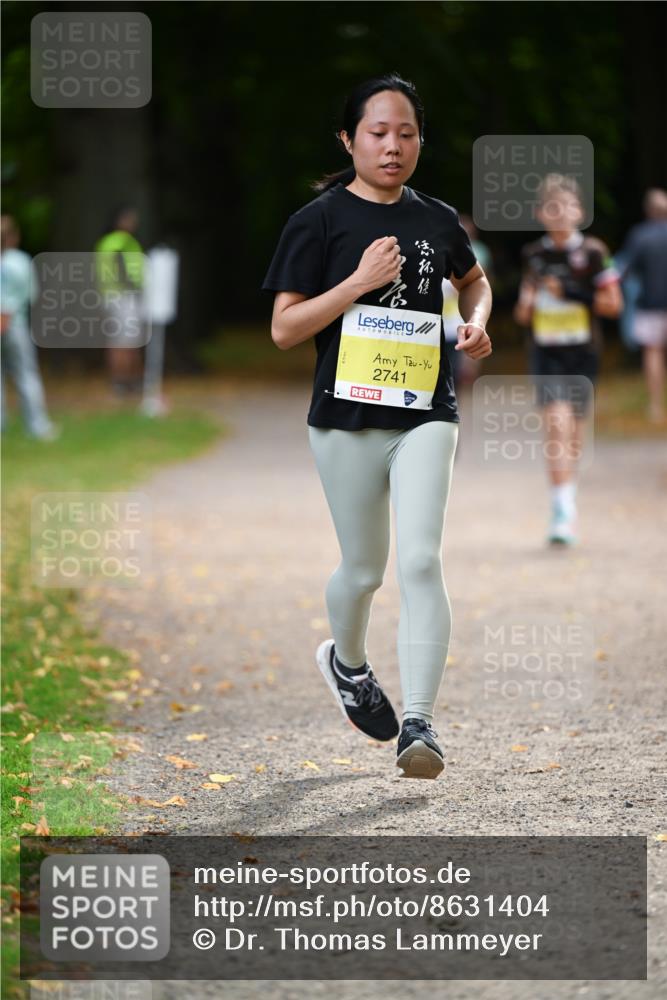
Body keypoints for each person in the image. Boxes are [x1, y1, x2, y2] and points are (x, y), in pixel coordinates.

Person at [261, 73, 492, 779]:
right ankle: (348, 664)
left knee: (420, 559)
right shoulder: (317, 221)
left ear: (420, 140)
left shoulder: (436, 218)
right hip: (346, 418)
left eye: (406, 133)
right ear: (348, 139)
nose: (393, 146)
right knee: (363, 570)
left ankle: (418, 723)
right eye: (377, 132)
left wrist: (475, 324)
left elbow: (473, 282)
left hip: (425, 411)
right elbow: (283, 329)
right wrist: (356, 283)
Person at [513, 173, 622, 546]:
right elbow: (522, 316)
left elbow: (613, 305)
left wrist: (572, 293)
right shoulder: (534, 255)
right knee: (556, 425)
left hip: (582, 355)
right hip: (545, 354)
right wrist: (527, 304)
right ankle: (560, 512)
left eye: (568, 206)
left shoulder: (593, 252)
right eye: (552, 208)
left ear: (580, 211)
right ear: (540, 213)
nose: (560, 214)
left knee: (573, 433)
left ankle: (567, 498)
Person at [0, 214, 58, 440]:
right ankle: (37, 426)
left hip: (7, 322)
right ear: (13, 236)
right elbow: (32, 295)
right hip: (16, 325)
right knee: (26, 374)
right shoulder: (21, 261)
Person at [616, 188, 667, 423]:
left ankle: (656, 405)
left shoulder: (640, 235)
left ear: (648, 210)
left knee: (653, 351)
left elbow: (624, 270)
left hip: (650, 303)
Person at [95, 205, 145, 397]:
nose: (134, 223)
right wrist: (136, 288)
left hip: (110, 296)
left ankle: (125, 381)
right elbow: (124, 270)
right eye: (130, 219)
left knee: (120, 340)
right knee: (125, 342)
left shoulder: (106, 242)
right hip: (123, 296)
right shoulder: (122, 242)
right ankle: (124, 382)